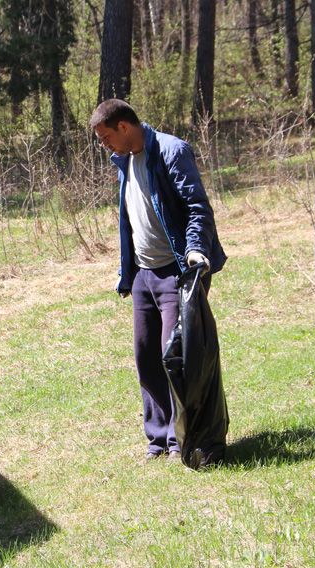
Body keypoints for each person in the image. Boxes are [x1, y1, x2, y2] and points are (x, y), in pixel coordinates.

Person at [89, 99, 227, 464]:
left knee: (177, 358)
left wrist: (196, 250)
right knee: (146, 357)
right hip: (143, 275)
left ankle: (188, 437)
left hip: (176, 273)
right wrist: (128, 273)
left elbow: (197, 207)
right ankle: (160, 439)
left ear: (123, 126)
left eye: (106, 138)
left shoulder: (171, 150)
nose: (105, 146)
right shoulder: (124, 160)